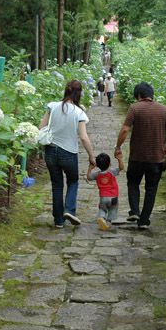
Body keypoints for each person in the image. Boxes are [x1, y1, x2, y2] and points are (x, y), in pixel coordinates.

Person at [114, 82, 166, 229]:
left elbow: (125, 130)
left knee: (133, 183)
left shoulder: (135, 108)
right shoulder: (165, 110)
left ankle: (135, 210)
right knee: (151, 189)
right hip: (157, 158)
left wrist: (118, 147)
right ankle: (144, 221)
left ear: (139, 95)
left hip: (137, 157)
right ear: (151, 95)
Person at [39, 80, 95, 228]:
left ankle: (58, 221)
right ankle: (69, 209)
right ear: (79, 93)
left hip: (50, 150)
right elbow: (83, 137)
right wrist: (91, 155)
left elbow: (41, 127)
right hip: (68, 152)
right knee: (73, 181)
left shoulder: (52, 106)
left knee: (56, 185)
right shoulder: (79, 112)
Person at [87, 152, 125, 231]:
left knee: (102, 209)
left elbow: (89, 177)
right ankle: (108, 222)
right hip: (114, 197)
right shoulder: (112, 172)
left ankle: (101, 217)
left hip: (103, 197)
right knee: (112, 209)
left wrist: (90, 168)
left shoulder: (97, 174)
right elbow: (121, 168)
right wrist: (119, 159)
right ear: (110, 163)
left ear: (97, 165)